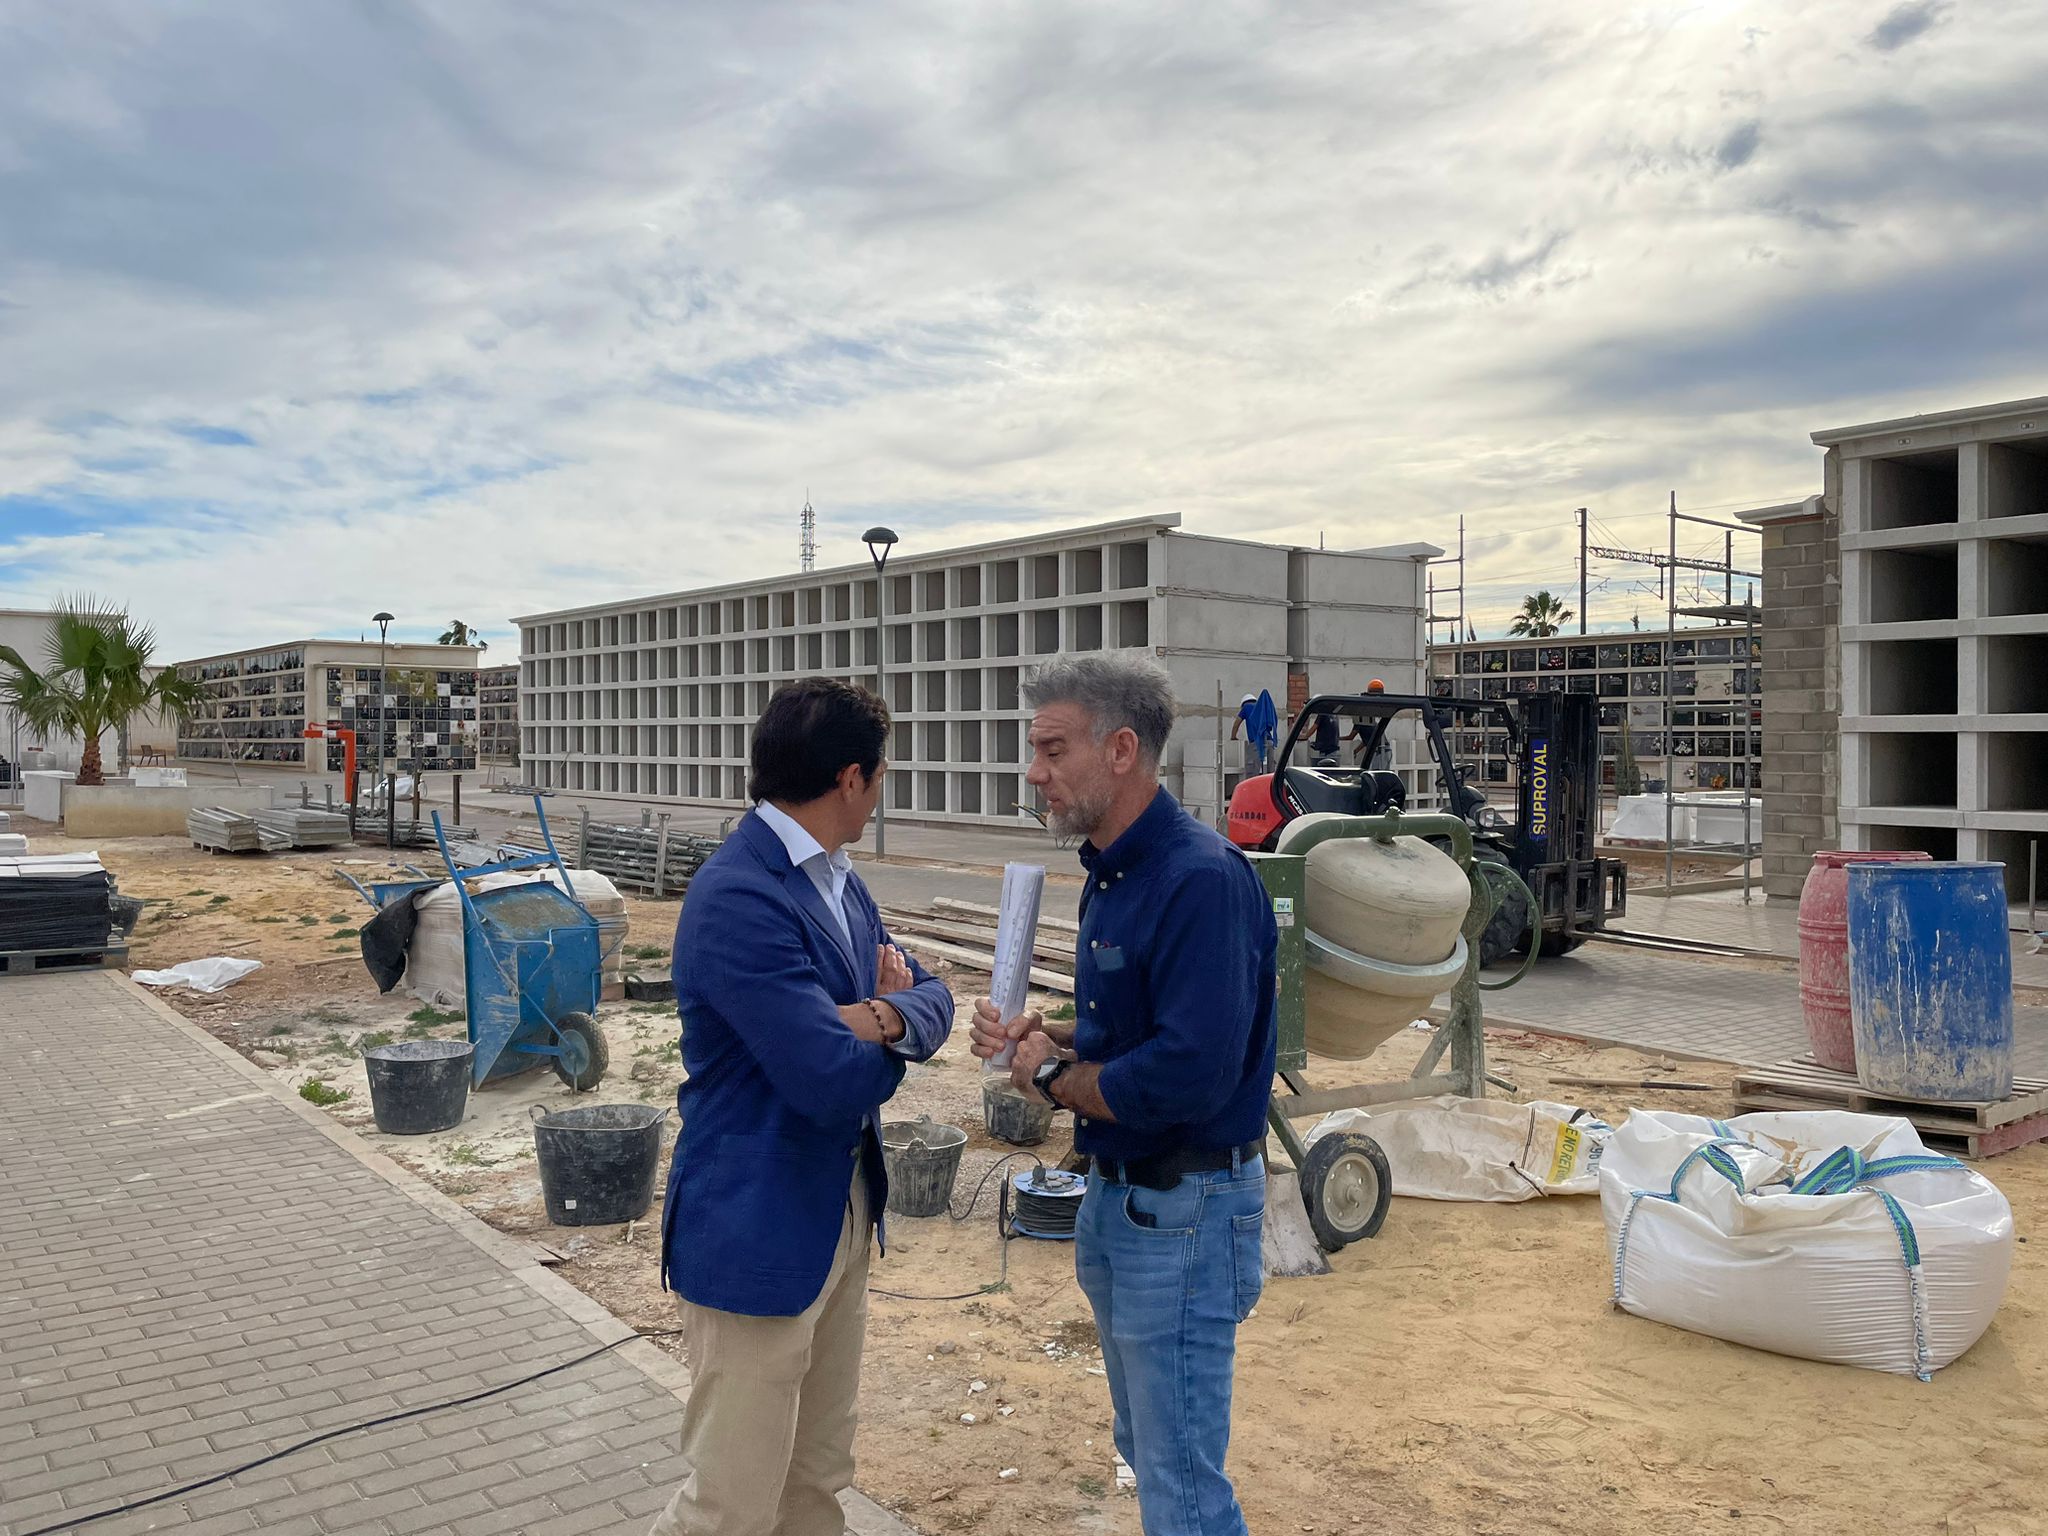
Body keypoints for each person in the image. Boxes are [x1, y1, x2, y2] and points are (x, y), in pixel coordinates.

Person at [971, 653, 1278, 1536]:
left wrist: (1048, 1077)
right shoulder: (1112, 872)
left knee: (1182, 1481)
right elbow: (1136, 1026)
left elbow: (1188, 1071)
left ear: (1121, 750)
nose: (1035, 772)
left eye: (1051, 748)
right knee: (1149, 1446)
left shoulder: (1200, 881)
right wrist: (1051, 1035)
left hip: (1183, 1213)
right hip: (1123, 1208)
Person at [651, 678, 954, 1536]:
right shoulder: (740, 895)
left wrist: (884, 1016)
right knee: (730, 1504)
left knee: (816, 1482)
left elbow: (935, 994)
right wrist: (887, 1030)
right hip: (756, 1227)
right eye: (883, 773)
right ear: (852, 778)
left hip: (840, 1211)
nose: (883, 790)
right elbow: (823, 1077)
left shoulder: (841, 883)